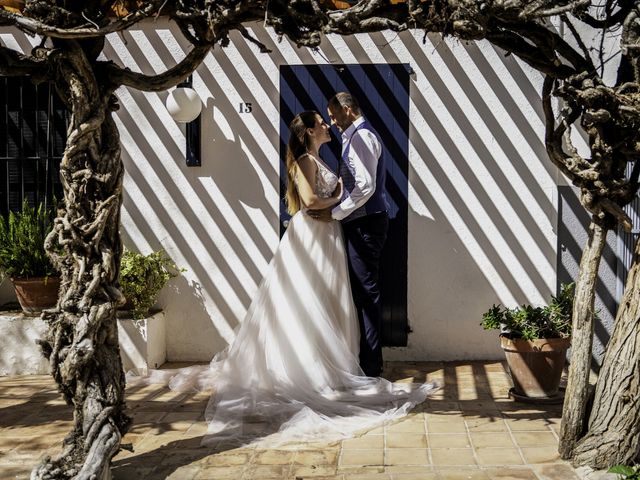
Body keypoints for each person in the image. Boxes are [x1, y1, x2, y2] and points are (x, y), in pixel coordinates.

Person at [129, 111, 437, 447]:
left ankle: (329, 366)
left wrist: (335, 205)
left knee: (326, 301)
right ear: (307, 131)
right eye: (321, 123)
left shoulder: (315, 158)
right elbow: (309, 201)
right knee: (307, 301)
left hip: (326, 236)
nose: (327, 126)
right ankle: (308, 369)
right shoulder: (305, 160)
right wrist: (339, 200)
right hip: (313, 237)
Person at [309, 92, 389, 378]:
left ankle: (371, 368)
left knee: (366, 294)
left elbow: (365, 187)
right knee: (362, 292)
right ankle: (367, 361)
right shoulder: (353, 136)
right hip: (361, 223)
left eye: (333, 114)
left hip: (366, 224)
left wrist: (336, 213)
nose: (331, 120)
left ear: (347, 109)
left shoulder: (363, 137)